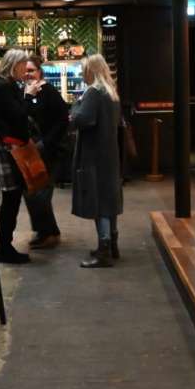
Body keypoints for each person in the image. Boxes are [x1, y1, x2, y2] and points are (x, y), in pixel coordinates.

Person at [0, 49, 43, 264]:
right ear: (14, 65)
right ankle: (4, 247)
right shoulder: (2, 87)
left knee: (13, 196)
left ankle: (4, 246)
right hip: (7, 147)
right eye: (22, 66)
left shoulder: (6, 85)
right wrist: (29, 96)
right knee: (11, 197)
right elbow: (18, 115)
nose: (25, 71)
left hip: (10, 146)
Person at [70, 54, 123, 269]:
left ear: (90, 70)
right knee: (109, 201)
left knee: (98, 203)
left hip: (93, 156)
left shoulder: (93, 92)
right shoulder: (111, 93)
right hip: (109, 154)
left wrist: (75, 107)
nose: (81, 74)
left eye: (83, 70)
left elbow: (83, 119)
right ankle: (112, 244)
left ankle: (104, 251)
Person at [22, 54, 69, 250]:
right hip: (31, 151)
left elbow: (63, 119)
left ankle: (48, 233)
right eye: (25, 70)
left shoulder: (48, 91)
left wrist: (46, 142)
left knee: (40, 193)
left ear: (40, 71)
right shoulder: (26, 92)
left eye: (31, 70)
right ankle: (47, 232)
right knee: (32, 192)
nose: (28, 74)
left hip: (50, 151)